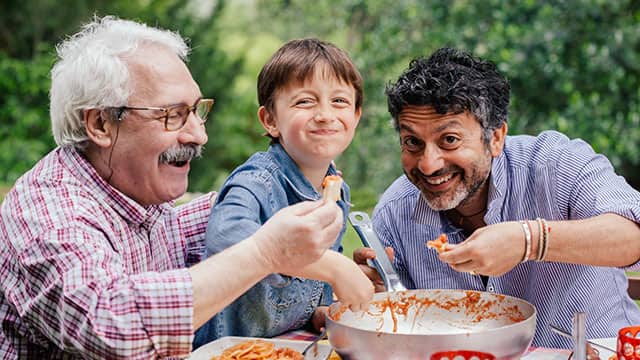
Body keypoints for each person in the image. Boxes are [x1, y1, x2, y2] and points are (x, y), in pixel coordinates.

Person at [0, 16, 361, 359]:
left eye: (195, 111)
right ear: (101, 124)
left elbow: (219, 220)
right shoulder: (47, 211)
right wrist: (267, 252)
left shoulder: (139, 195)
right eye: (172, 115)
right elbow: (115, 325)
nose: (198, 134)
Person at [354, 47, 640, 349]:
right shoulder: (393, 212)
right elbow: (399, 327)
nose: (428, 164)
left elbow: (633, 233)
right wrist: (376, 291)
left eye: (449, 140)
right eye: (412, 142)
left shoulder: (557, 165)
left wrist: (528, 240)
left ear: (496, 137)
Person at [194, 38, 373, 345]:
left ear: (356, 116)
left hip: (289, 345)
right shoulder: (256, 181)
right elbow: (226, 241)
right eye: (305, 101)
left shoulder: (335, 191)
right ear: (270, 120)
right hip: (226, 350)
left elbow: (313, 281)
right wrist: (335, 268)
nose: (325, 114)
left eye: (340, 101)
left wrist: (320, 309)